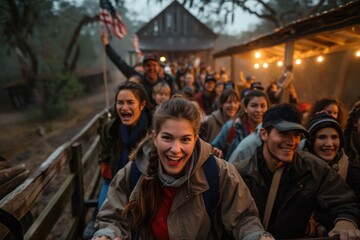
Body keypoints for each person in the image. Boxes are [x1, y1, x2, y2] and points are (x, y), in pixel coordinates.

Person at [92, 97, 276, 240]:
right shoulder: (133, 173)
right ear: (155, 138)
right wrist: (106, 235)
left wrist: (257, 236)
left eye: (185, 139)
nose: (176, 149)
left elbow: (243, 218)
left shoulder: (219, 174)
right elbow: (113, 218)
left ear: (196, 139)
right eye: (167, 138)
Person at [234, 103, 360, 239]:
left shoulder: (312, 168)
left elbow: (342, 201)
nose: (292, 141)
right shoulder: (239, 173)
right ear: (264, 134)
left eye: (296, 134)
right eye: (283, 133)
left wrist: (345, 222)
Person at [98, 82, 153, 209]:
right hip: (113, 181)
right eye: (120, 102)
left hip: (147, 185)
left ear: (142, 105)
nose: (124, 107)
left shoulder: (153, 129)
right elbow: (104, 157)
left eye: (130, 102)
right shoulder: (110, 128)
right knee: (102, 212)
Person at [101, 32, 171, 105]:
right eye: (148, 65)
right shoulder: (137, 80)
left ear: (159, 67)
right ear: (144, 67)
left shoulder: (165, 83)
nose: (151, 68)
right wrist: (107, 45)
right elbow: (120, 63)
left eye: (154, 65)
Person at [305, 113, 360, 199]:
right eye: (322, 137)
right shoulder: (298, 170)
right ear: (310, 142)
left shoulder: (353, 173)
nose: (329, 144)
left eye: (334, 137)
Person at [212, 90, 269, 161]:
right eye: (254, 106)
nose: (258, 110)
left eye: (263, 106)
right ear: (245, 108)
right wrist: (216, 150)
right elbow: (214, 147)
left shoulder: (270, 131)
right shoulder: (231, 127)